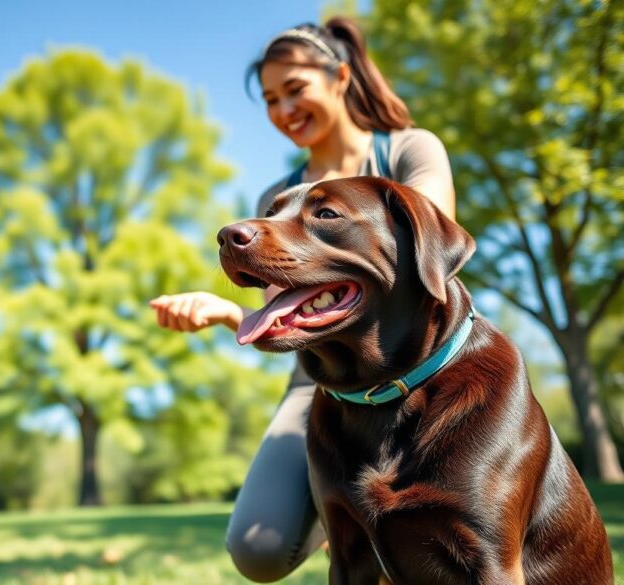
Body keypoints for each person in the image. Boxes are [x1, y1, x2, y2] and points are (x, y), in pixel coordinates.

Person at [150, 17, 457, 582]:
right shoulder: (280, 198)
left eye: (295, 89)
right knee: (258, 549)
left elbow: (429, 257)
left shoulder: (408, 152)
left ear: (340, 77)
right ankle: (345, 519)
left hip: (427, 373)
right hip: (327, 385)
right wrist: (225, 312)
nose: (283, 108)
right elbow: (295, 313)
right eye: (270, 98)